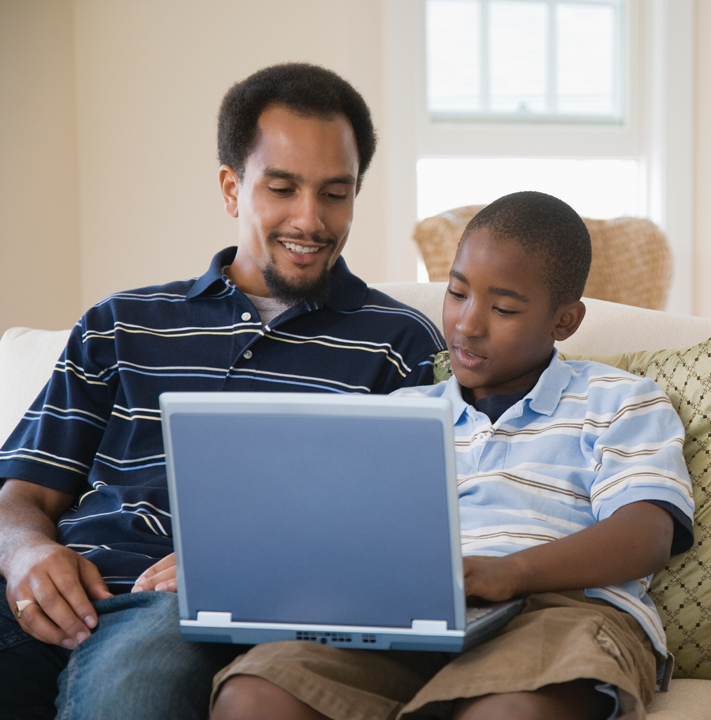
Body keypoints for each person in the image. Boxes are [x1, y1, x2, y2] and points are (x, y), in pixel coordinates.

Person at [0, 63, 444, 720]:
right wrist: (27, 551)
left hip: (187, 616)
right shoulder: (118, 323)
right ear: (233, 189)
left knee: (130, 699)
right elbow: (24, 492)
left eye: (335, 193)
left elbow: (404, 539)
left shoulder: (399, 345)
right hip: (57, 588)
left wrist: (239, 568)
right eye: (283, 188)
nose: (311, 219)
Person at [208, 191, 696, 720]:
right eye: (457, 293)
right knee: (252, 695)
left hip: (562, 613)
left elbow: (647, 534)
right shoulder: (402, 412)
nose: (468, 323)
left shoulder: (620, 398)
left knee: (507, 713)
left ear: (564, 321)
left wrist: (508, 573)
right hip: (410, 623)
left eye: (503, 308)